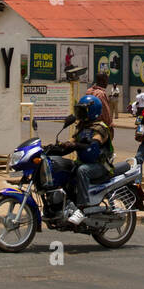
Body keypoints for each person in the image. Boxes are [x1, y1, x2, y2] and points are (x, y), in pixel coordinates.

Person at [53, 94, 115, 224]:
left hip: (99, 166)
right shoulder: (82, 127)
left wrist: (75, 145)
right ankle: (61, 205)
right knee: (62, 167)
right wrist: (53, 149)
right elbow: (70, 144)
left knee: (82, 171)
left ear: (91, 111)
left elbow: (93, 145)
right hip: (84, 162)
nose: (79, 113)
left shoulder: (101, 128)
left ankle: (83, 208)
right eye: (78, 110)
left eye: (82, 110)